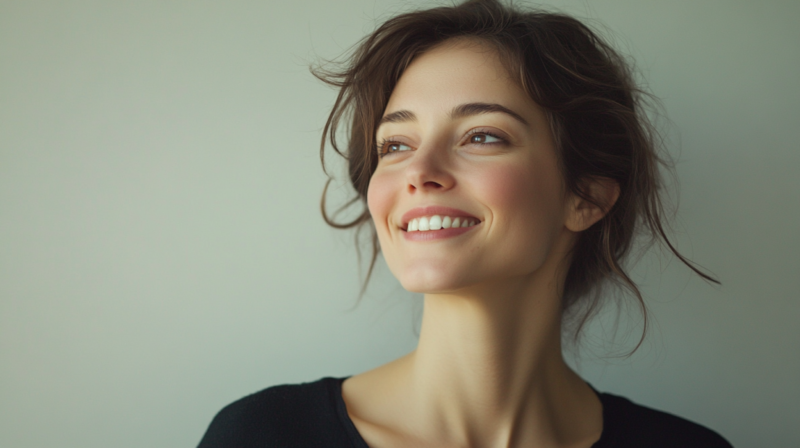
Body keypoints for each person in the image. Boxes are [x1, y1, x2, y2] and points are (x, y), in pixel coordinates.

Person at [198, 0, 732, 446]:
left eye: (481, 136)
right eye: (396, 144)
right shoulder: (264, 436)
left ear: (585, 196)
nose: (419, 172)